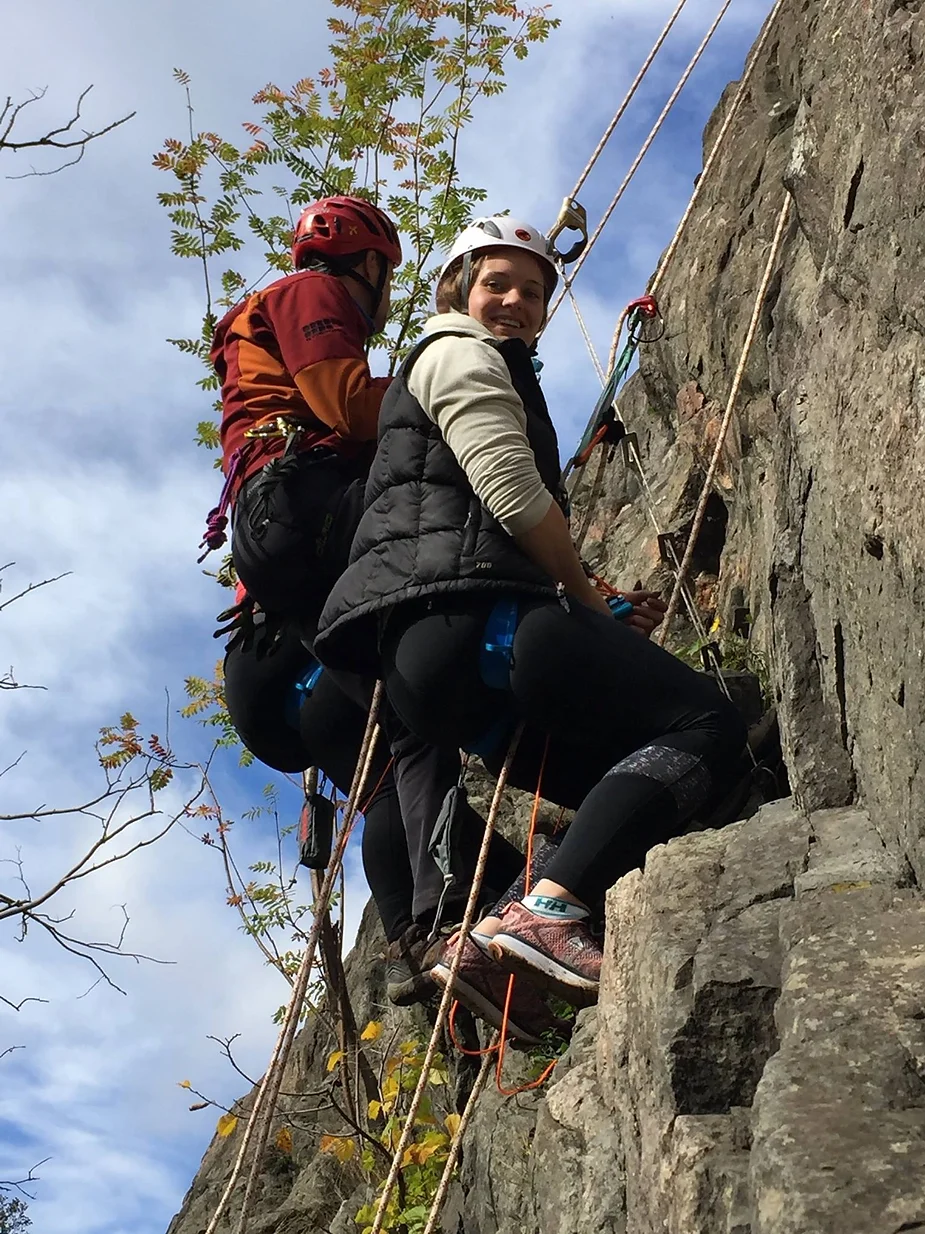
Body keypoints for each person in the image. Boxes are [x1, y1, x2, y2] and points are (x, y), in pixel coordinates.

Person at [314, 215, 748, 1034]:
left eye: (533, 290)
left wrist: (594, 605)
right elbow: (511, 495)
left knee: (636, 781)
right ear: (457, 290)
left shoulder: (438, 378)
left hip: (421, 665)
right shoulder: (455, 351)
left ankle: (487, 940)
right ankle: (546, 913)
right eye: (496, 284)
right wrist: (585, 600)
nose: (515, 300)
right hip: (474, 620)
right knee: (709, 723)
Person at [204, 198, 527, 1007]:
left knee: (390, 751)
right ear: (372, 265)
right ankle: (473, 899)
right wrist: (468, 370)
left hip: (269, 618)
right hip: (303, 510)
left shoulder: (256, 330)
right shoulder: (311, 293)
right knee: (422, 678)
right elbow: (346, 403)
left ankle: (418, 935)